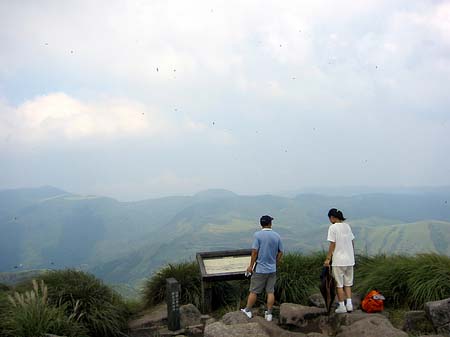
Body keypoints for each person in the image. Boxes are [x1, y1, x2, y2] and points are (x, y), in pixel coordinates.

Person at [241, 215, 283, 322]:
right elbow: (280, 252)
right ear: (270, 223)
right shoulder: (277, 235)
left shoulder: (258, 235)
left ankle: (248, 310)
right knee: (270, 292)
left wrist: (251, 266)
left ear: (261, 224)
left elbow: (254, 251)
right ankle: (269, 314)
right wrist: (275, 263)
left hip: (260, 269)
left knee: (254, 291)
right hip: (272, 269)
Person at [324, 208, 355, 314]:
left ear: (332, 217)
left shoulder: (333, 227)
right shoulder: (347, 226)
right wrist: (351, 254)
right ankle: (349, 305)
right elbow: (352, 242)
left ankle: (342, 305)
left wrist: (328, 258)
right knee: (348, 283)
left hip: (339, 260)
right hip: (350, 260)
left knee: (339, 284)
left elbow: (332, 244)